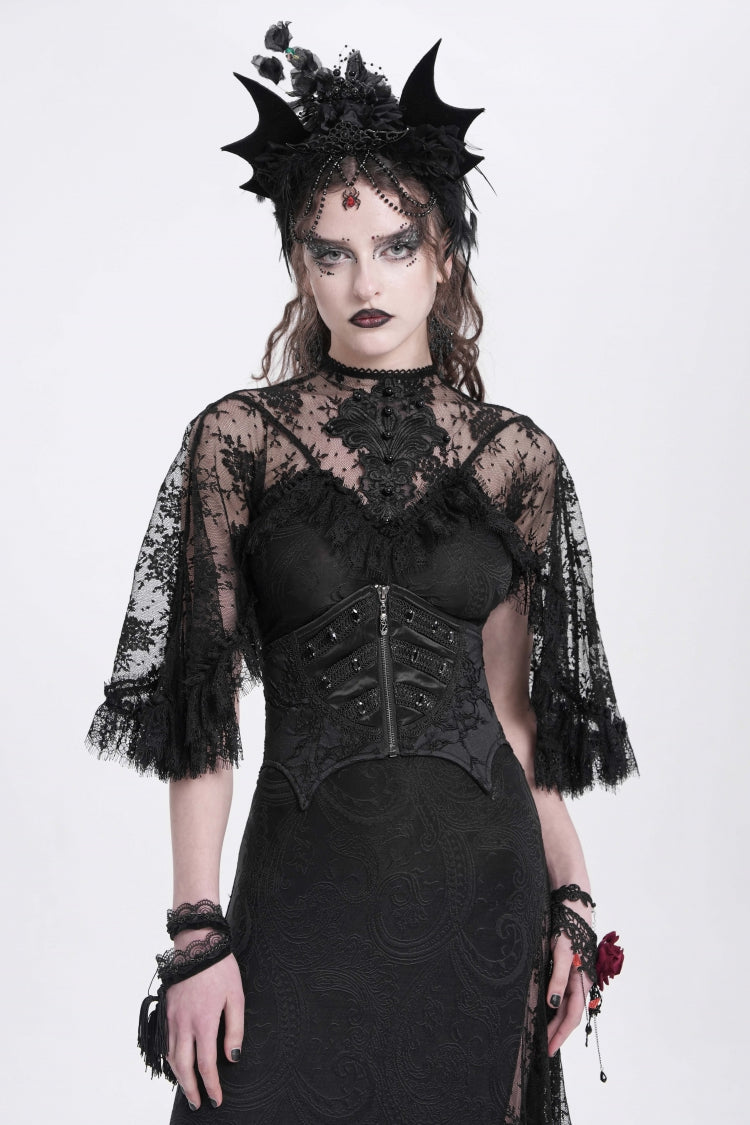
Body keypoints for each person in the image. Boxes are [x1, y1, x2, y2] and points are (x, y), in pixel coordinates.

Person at [88, 22, 637, 1124]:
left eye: (395, 245)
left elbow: (514, 719)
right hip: (301, 894)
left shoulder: (518, 459)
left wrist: (574, 899)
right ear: (301, 265)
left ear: (444, 256)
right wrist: (196, 933)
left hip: (484, 901)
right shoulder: (237, 444)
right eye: (331, 253)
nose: (364, 280)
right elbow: (201, 719)